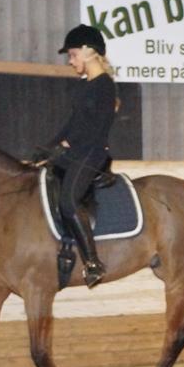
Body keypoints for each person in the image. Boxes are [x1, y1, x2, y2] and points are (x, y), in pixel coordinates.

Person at [41, 24, 118, 288]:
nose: (71, 61)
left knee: (68, 202)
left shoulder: (105, 86)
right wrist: (48, 147)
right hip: (76, 151)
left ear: (88, 51)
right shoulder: (84, 85)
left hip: (92, 154)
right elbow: (72, 123)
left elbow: (97, 128)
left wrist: (66, 145)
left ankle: (93, 262)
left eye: (73, 55)